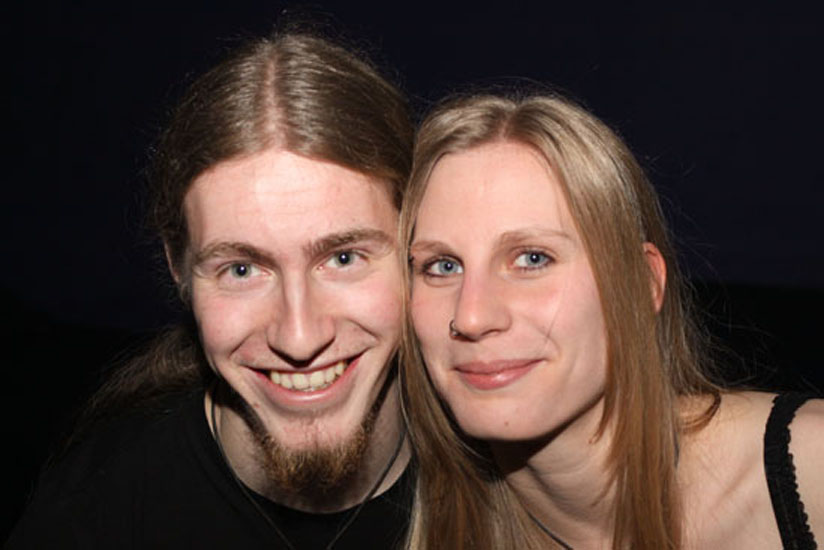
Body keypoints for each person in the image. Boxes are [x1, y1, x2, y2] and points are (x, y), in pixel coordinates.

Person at [8, 30, 414, 549]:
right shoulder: (94, 513)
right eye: (242, 270)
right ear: (179, 271)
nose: (299, 337)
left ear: (416, 250)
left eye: (343, 258)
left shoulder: (499, 478)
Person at [399, 93, 823, 549]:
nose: (472, 316)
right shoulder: (426, 525)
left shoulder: (812, 470)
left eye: (532, 258)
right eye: (442, 266)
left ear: (642, 285)